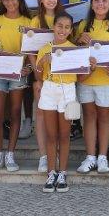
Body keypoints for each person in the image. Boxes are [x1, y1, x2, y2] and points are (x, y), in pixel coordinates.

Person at [75, 0, 109, 173]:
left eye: (104, 1)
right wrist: (79, 40)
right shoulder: (83, 25)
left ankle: (103, 157)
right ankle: (90, 157)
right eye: (97, 0)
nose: (100, 4)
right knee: (88, 117)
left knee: (105, 119)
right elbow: (74, 51)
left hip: (107, 80)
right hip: (86, 80)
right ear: (92, 4)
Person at [0, 0, 31, 172]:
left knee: (14, 114)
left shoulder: (28, 21)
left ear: (19, 0)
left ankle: (10, 153)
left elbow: (32, 49)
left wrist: (29, 67)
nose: (10, 3)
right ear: (1, 2)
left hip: (18, 73)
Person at [35, 13, 80, 193]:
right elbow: (38, 74)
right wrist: (43, 61)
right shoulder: (45, 48)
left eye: (66, 27)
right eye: (59, 26)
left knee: (64, 134)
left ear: (70, 30)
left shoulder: (74, 49)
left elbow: (80, 74)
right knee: (51, 134)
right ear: (53, 27)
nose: (62, 30)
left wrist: (90, 65)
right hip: (49, 89)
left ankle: (62, 173)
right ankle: (51, 172)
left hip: (67, 90)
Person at [29, 0, 64, 172]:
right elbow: (30, 50)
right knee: (42, 114)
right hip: (41, 76)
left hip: (60, 79)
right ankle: (44, 156)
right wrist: (37, 71)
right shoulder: (35, 21)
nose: (51, 0)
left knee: (58, 116)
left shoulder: (62, 20)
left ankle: (56, 152)